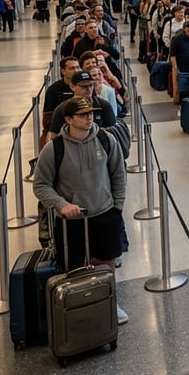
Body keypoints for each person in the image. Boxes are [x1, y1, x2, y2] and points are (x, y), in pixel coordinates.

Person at [32, 96, 129, 325]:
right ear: (68, 119)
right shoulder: (53, 149)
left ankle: (108, 301)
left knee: (106, 261)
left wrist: (117, 207)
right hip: (71, 219)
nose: (90, 118)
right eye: (83, 115)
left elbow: (118, 174)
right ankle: (78, 307)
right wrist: (62, 205)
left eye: (91, 114)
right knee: (73, 265)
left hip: (104, 212)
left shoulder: (105, 139)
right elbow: (41, 185)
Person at [48, 70, 117, 133]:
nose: (89, 89)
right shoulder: (62, 109)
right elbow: (54, 135)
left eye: (91, 85)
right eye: (84, 86)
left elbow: (112, 130)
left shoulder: (103, 106)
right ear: (72, 87)